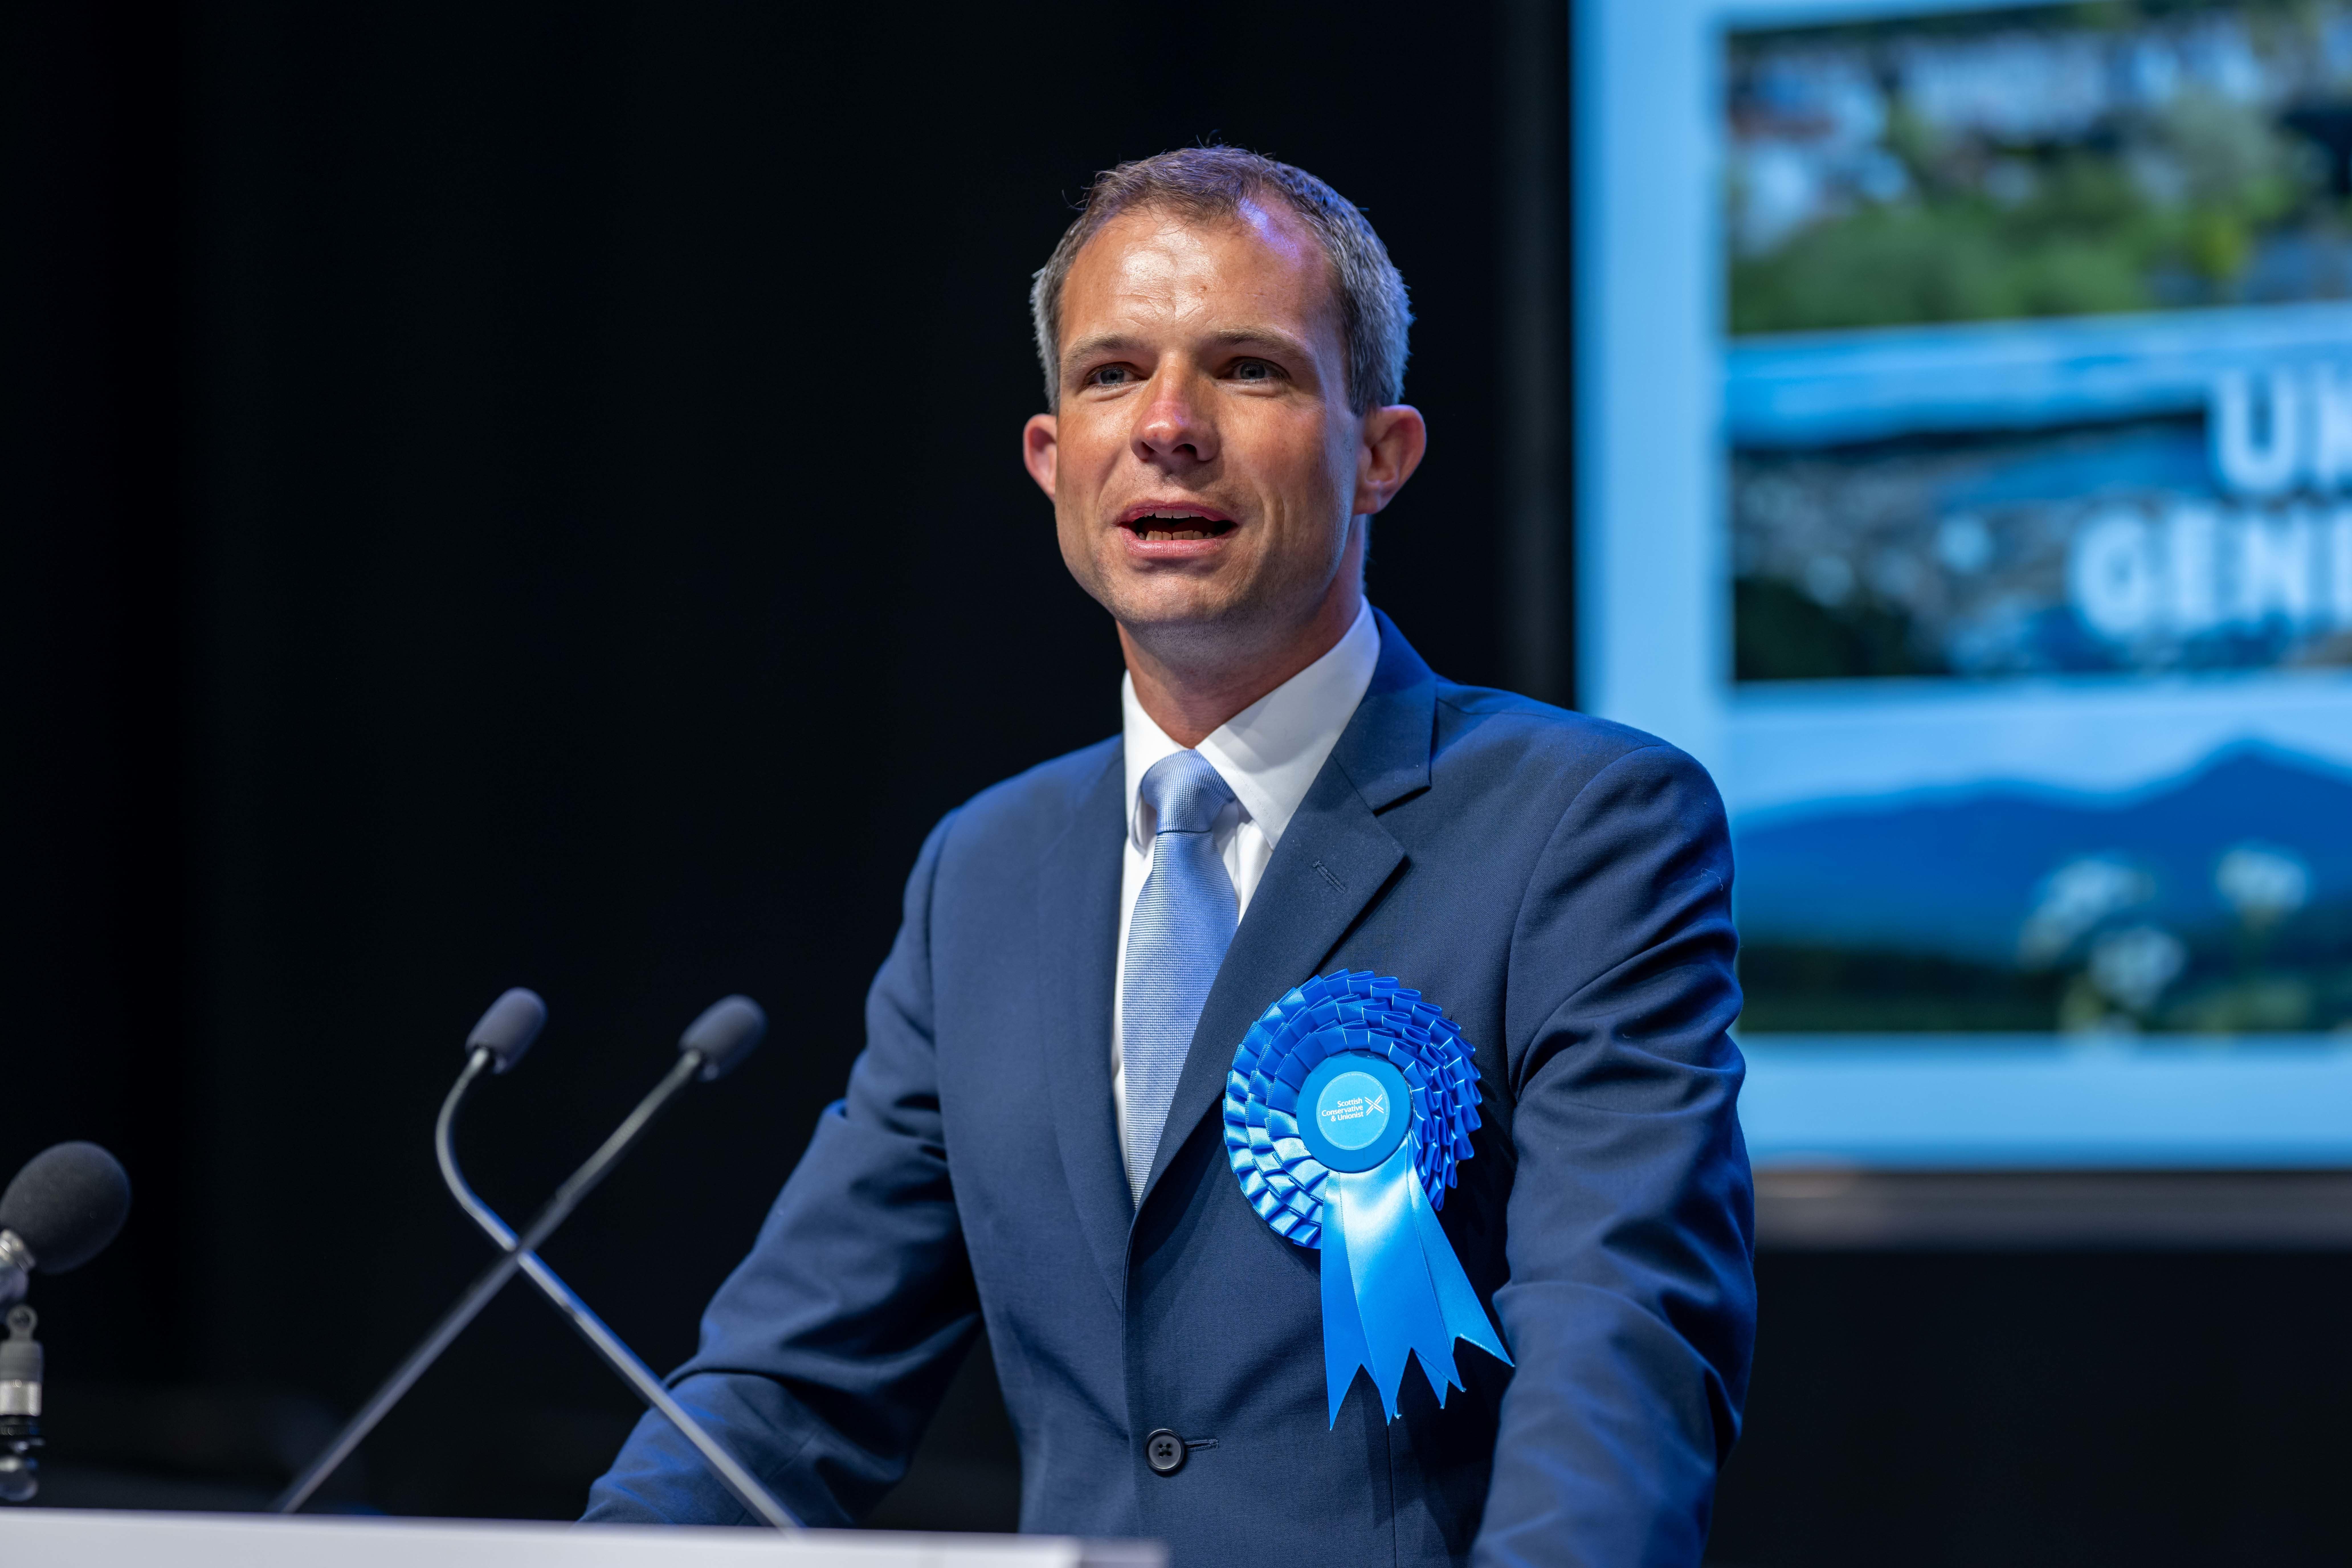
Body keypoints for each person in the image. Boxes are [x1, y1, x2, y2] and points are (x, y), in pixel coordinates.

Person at [583, 146, 1754, 1568]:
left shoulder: (1584, 825)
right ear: (1051, 459)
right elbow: (780, 1389)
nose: (1168, 427)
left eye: (1249, 369)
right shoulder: (988, 872)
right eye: (1111, 373)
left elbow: (1620, 1348)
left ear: (1381, 453)